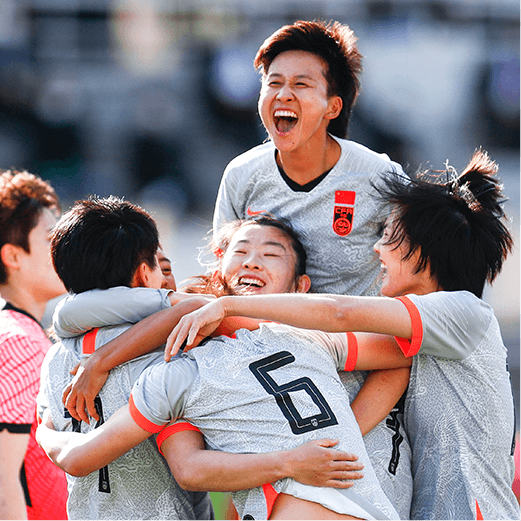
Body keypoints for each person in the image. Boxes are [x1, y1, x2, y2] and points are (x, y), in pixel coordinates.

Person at [169, 150, 520, 521]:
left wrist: (226, 306)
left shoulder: (464, 313)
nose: (376, 248)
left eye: (388, 237)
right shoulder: (414, 332)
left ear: (422, 250)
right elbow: (347, 346)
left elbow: (340, 313)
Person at [38, 202, 368, 520]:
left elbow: (66, 445)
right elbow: (188, 467)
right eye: (162, 269)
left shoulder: (54, 359)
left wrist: (43, 433)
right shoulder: (174, 353)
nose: (168, 281)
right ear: (143, 274)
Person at [213, 19, 405, 297]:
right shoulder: (241, 174)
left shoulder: (380, 177)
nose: (283, 95)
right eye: (274, 83)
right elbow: (222, 275)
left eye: (301, 84)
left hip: (355, 325)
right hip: (263, 324)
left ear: (333, 107)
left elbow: (418, 275)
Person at [0, 170, 68, 520]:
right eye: (51, 238)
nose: (64, 249)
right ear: (13, 256)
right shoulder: (19, 342)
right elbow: (3, 484)